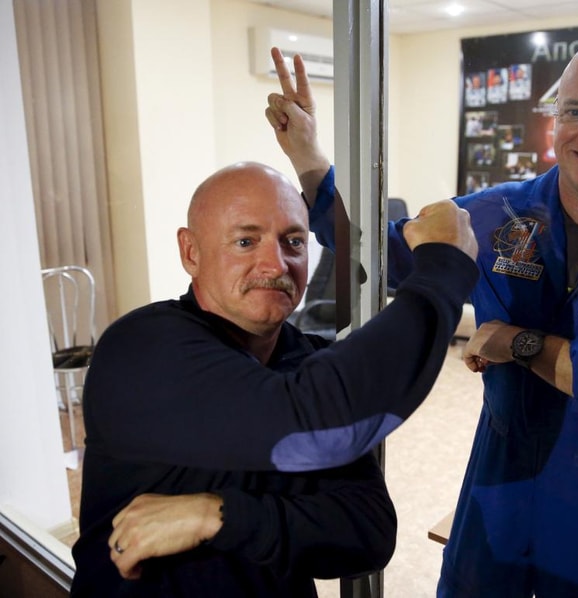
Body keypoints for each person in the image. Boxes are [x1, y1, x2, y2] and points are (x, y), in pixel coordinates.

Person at [265, 34, 578, 598]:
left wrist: (521, 344)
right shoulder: (501, 213)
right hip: (500, 473)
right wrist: (307, 155)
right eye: (575, 111)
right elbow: (378, 252)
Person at [70, 161, 479, 596]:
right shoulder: (143, 347)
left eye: (293, 242)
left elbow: (367, 534)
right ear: (191, 252)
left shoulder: (308, 361)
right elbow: (310, 422)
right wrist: (442, 270)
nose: (275, 264)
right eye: (245, 241)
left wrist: (217, 515)